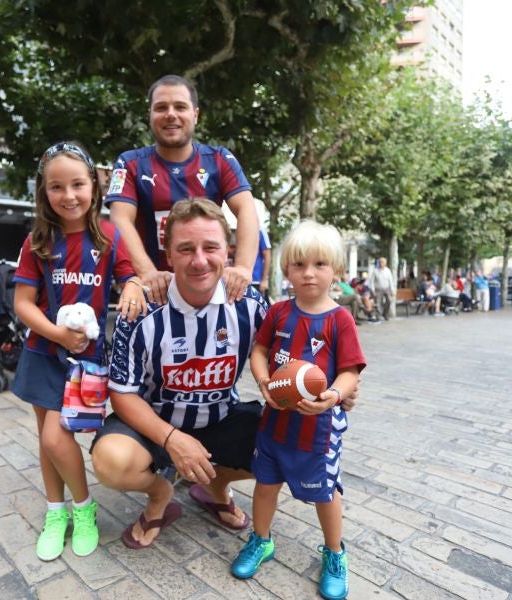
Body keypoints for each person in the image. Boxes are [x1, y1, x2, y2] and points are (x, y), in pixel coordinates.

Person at [90, 198, 269, 549]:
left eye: (210, 247)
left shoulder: (250, 305)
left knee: (292, 439)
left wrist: (337, 387)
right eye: (186, 249)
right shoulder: (140, 310)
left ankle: (215, 485)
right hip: (154, 425)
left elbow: (287, 363)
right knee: (111, 460)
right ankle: (160, 494)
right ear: (168, 256)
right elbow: (122, 393)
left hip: (221, 418)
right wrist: (173, 439)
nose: (199, 260)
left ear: (228, 251)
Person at [10, 141, 145, 561]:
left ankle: (82, 509)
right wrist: (57, 334)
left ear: (94, 187)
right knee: (48, 438)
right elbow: (23, 303)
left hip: (85, 360)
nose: (68, 195)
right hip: (42, 352)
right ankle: (59, 512)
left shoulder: (109, 236)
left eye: (77, 184)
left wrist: (134, 286)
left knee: (56, 436)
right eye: (56, 187)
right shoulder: (37, 241)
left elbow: (129, 275)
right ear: (44, 191)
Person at [232, 221, 364, 600]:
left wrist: (333, 396)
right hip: (274, 425)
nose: (308, 273)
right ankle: (261, 540)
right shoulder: (278, 312)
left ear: (336, 270)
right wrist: (263, 382)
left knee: (324, 493)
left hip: (317, 432)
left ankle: (335, 553)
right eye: (299, 264)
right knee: (265, 485)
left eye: (320, 264)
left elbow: (350, 371)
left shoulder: (340, 319)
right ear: (286, 269)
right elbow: (259, 351)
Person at [105, 74, 259, 305]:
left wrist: (244, 268)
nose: (171, 114)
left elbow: (246, 208)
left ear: (195, 115)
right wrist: (148, 273)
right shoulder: (129, 164)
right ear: (150, 114)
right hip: (152, 293)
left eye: (180, 106)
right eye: (161, 107)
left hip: (207, 290)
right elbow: (120, 219)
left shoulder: (220, 159)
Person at [253, 227, 272, 301]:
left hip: (256, 281)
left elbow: (267, 255)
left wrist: (264, 280)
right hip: (241, 280)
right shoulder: (240, 229)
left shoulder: (260, 231)